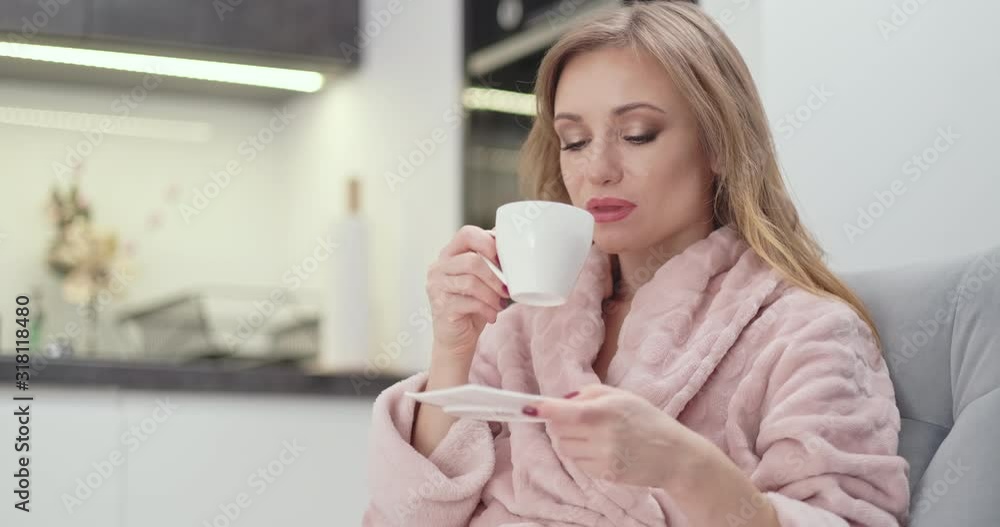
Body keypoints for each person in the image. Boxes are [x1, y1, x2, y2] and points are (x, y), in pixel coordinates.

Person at [363, 2, 910, 526]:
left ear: (718, 143)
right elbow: (408, 518)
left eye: (637, 134)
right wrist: (452, 350)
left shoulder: (807, 334)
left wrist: (686, 467)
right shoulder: (524, 331)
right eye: (574, 141)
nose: (598, 169)